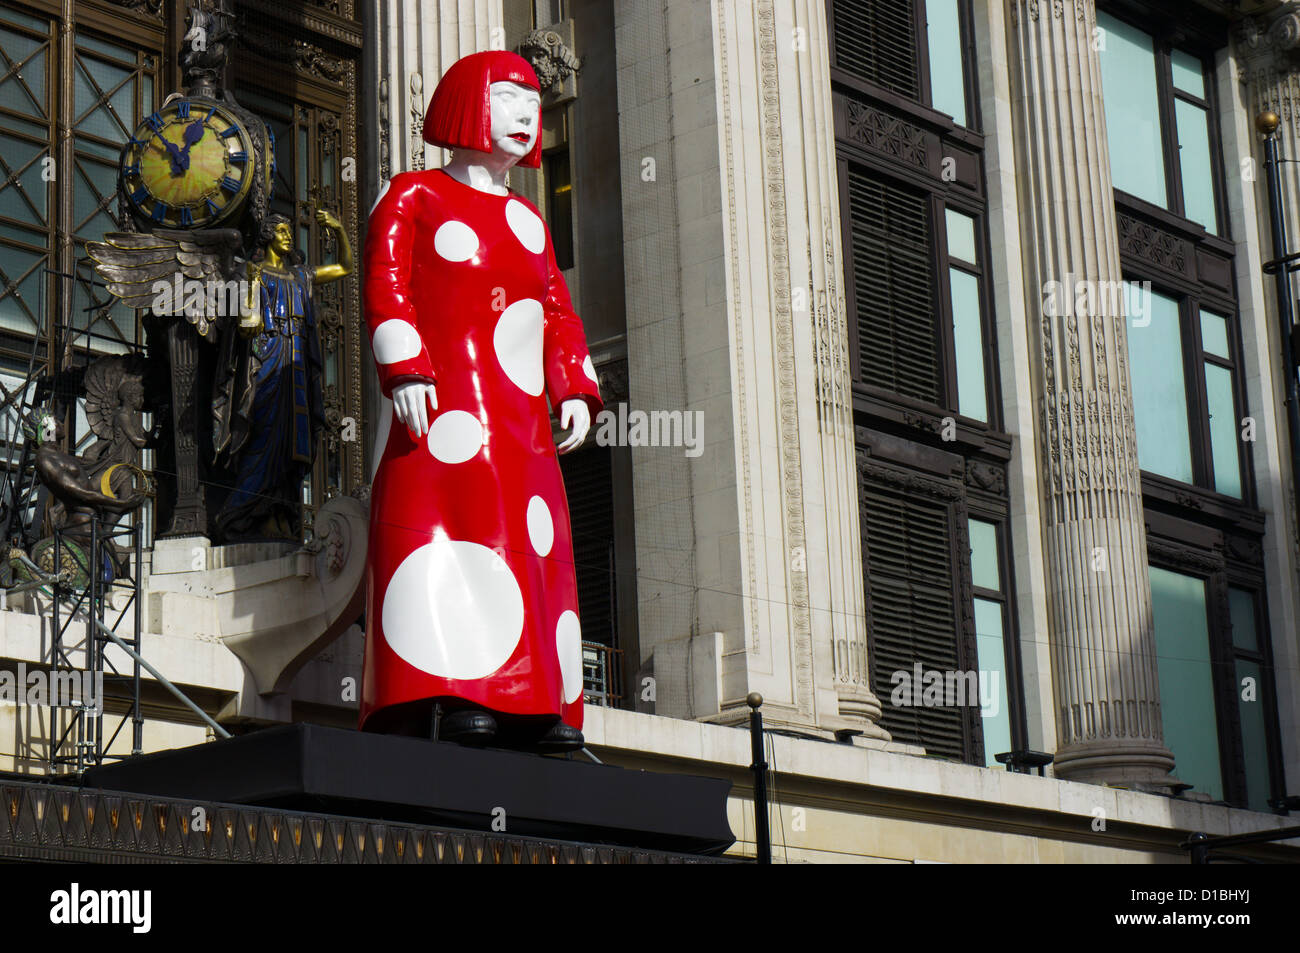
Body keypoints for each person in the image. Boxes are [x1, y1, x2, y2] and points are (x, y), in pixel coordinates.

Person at [361, 50, 602, 751]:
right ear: (470, 104)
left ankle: (541, 698)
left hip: (518, 423)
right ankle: (456, 688)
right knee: (449, 536)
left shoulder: (530, 222)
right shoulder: (412, 195)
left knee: (529, 548)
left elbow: (558, 311)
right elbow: (386, 282)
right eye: (511, 100)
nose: (529, 116)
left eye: (534, 104)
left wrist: (575, 386)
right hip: (444, 409)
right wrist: (405, 366)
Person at [211, 210, 351, 542]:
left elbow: (344, 267)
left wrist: (340, 230)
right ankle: (238, 514)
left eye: (290, 231)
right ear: (269, 235)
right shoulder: (251, 271)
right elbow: (246, 327)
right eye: (284, 231)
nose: (289, 236)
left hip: (296, 365)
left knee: (291, 441)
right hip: (266, 361)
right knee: (263, 436)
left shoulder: (301, 275)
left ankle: (280, 514)